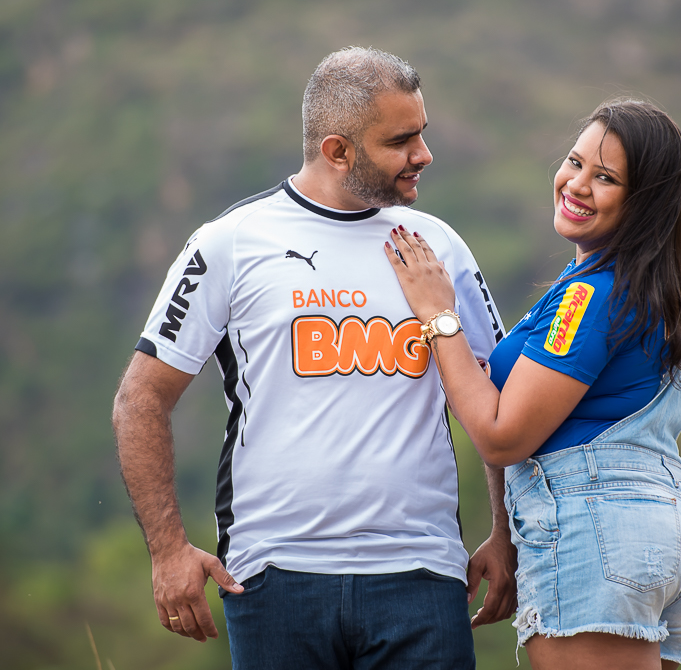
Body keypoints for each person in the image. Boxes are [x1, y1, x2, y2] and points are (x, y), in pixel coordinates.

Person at [112, 46, 517, 669]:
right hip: (275, 575)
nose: (424, 155)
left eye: (423, 134)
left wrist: (503, 532)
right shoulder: (230, 243)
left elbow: (495, 393)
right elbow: (140, 398)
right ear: (337, 151)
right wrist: (168, 550)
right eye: (402, 140)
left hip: (423, 573)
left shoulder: (440, 246)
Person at [385, 98, 681, 669]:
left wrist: (438, 315)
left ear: (643, 204)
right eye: (575, 162)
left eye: (607, 178)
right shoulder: (654, 290)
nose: (578, 184)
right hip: (670, 534)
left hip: (604, 536)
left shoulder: (587, 296)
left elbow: (501, 435)